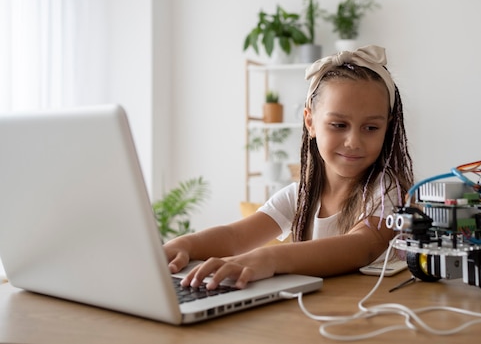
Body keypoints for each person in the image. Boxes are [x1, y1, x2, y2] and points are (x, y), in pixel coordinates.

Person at [164, 45, 414, 290]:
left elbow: (362, 246)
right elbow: (235, 237)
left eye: (371, 128)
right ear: (310, 122)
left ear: (387, 129)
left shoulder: (386, 191)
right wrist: (184, 244)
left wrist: (268, 258)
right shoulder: (301, 196)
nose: (353, 142)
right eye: (338, 125)